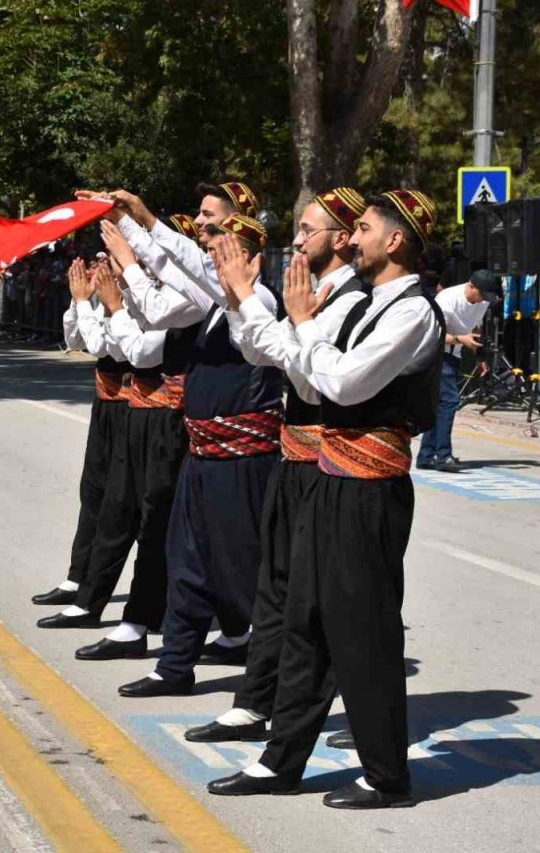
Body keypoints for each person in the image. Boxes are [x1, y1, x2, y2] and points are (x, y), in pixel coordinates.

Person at [208, 190, 444, 809]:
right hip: (331, 478)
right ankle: (280, 762)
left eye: (363, 229)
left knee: (362, 634)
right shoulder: (372, 304)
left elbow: (340, 383)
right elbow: (307, 373)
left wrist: (303, 323)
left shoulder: (412, 312)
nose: (352, 238)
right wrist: (259, 305)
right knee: (305, 625)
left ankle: (388, 777)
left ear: (395, 242)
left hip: (369, 491)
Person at [185, 187, 370, 745]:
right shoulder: (309, 292)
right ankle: (254, 702)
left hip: (333, 463)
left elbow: (316, 378)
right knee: (275, 587)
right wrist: (243, 300)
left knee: (328, 598)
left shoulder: (354, 301)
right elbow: (262, 353)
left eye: (306, 230)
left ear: (339, 239)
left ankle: (362, 710)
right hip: (296, 455)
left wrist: (269, 310)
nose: (295, 239)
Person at [100, 183, 283, 697]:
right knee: (187, 563)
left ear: (252, 260)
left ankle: (282, 672)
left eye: (228, 251)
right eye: (215, 249)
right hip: (203, 456)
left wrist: (142, 220)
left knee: (244, 572)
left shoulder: (259, 301)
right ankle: (174, 667)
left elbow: (191, 267)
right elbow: (178, 267)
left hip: (242, 460)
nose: (215, 258)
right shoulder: (215, 305)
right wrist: (132, 224)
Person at [60, 238, 200, 661]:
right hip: (133, 411)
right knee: (114, 506)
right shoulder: (132, 299)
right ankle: (89, 597)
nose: (114, 267)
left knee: (153, 519)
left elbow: (135, 352)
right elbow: (88, 342)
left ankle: (147, 616)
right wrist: (85, 302)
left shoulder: (180, 304)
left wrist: (112, 305)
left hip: (162, 419)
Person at [31, 259, 136, 615]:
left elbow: (103, 345)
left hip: (132, 407)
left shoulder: (136, 301)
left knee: (119, 504)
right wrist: (81, 301)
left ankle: (98, 593)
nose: (100, 267)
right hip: (105, 404)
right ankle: (77, 578)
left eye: (110, 261)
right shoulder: (105, 300)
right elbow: (74, 339)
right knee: (92, 491)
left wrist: (87, 302)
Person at [416, 269, 502, 471]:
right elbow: (434, 333)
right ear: (470, 286)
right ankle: (443, 455)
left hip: (455, 354)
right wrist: (459, 339)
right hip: (436, 351)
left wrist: (480, 357)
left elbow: (476, 328)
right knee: (450, 400)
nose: (482, 300)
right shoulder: (447, 300)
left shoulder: (483, 301)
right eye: (480, 294)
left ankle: (426, 456)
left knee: (440, 405)